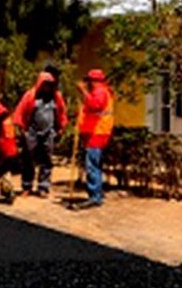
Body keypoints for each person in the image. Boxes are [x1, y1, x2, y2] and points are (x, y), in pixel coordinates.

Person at [13, 72, 68, 197]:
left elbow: (62, 112)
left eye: (49, 85)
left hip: (49, 133)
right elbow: (20, 111)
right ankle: (27, 186)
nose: (47, 87)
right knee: (28, 159)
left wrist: (60, 128)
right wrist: (21, 128)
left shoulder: (56, 97)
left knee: (46, 160)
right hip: (31, 132)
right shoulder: (30, 95)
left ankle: (43, 187)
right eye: (45, 84)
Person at [75, 69, 114, 209]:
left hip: (97, 133)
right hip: (95, 132)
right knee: (95, 164)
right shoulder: (100, 92)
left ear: (94, 81)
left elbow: (95, 105)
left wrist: (83, 92)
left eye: (88, 81)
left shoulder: (100, 92)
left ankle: (94, 196)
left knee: (92, 165)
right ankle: (97, 193)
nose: (87, 84)